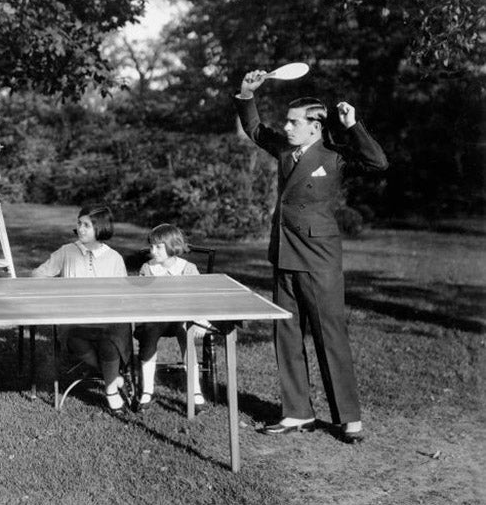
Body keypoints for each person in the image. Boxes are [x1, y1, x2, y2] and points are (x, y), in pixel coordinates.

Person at [236, 70, 388, 443]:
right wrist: (246, 93)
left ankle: (349, 418)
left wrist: (353, 126)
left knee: (330, 336)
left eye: (293, 122)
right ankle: (296, 413)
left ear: (315, 127)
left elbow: (377, 163)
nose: (286, 127)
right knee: (286, 337)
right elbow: (255, 129)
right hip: (285, 255)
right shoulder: (286, 150)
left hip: (319, 260)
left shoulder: (335, 156)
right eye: (287, 121)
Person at [32, 204, 131, 417]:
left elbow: (123, 295)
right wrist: (57, 292)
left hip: (107, 320)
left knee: (109, 341)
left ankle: (111, 391)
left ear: (101, 228)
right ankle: (113, 379)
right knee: (74, 340)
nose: (81, 229)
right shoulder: (66, 252)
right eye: (80, 224)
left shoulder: (114, 258)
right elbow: (38, 274)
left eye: (87, 225)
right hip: (74, 321)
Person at [133, 223, 208, 412]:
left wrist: (201, 320)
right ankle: (147, 390)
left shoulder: (188, 268)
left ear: (172, 246)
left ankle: (195, 390)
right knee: (149, 335)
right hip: (155, 319)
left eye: (158, 247)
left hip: (182, 319)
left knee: (186, 333)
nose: (153, 251)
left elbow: (200, 298)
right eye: (151, 246)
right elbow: (141, 300)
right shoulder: (146, 268)